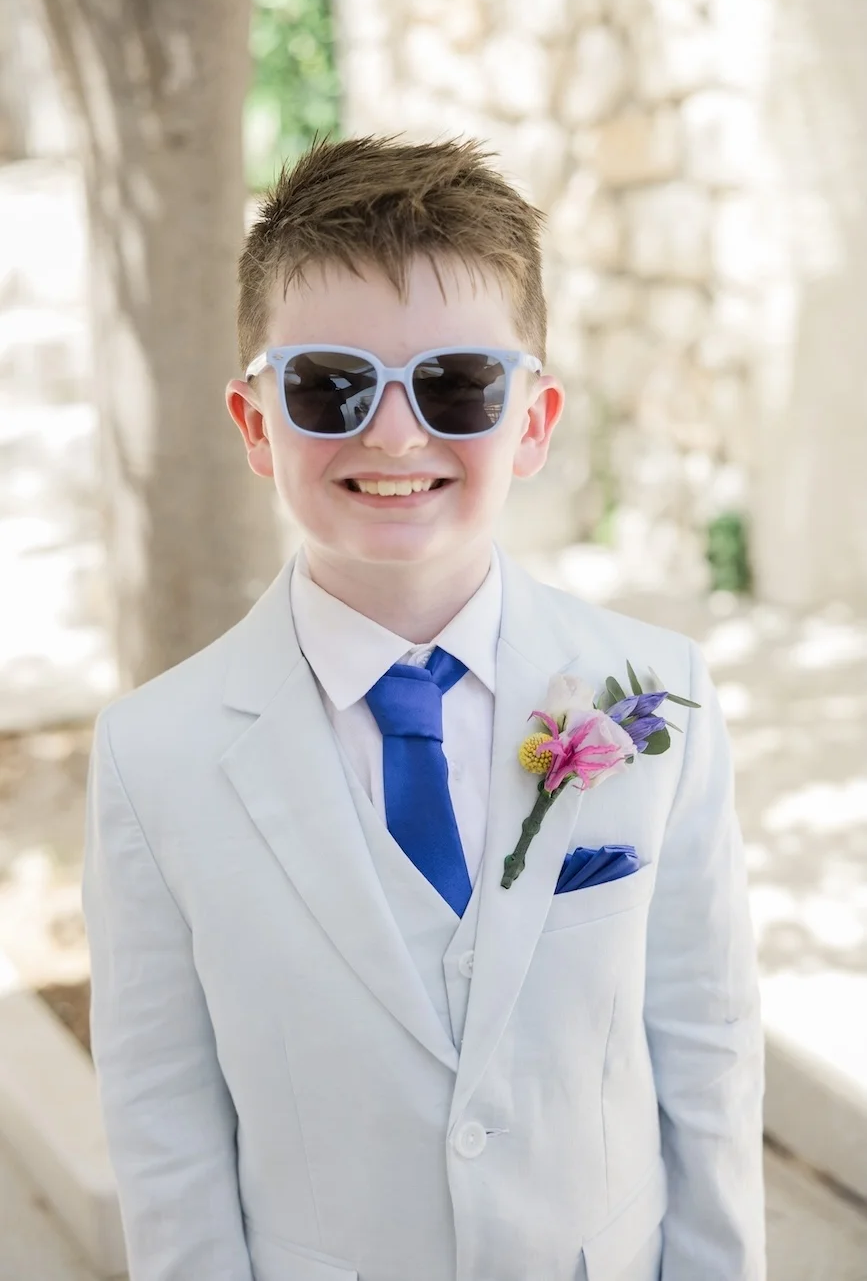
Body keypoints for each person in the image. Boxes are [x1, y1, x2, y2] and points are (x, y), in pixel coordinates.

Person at [83, 136, 765, 1281]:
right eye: (329, 385)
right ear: (255, 424)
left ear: (532, 420)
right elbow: (165, 1130)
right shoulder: (154, 758)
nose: (395, 434)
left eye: (456, 384)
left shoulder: (661, 695)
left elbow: (711, 1054)